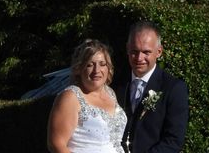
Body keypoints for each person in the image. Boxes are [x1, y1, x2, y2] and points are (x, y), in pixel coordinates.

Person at [116, 21, 188, 153]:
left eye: (146, 52)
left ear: (159, 52)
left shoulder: (173, 88)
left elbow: (173, 140)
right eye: (134, 51)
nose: (139, 58)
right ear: (127, 49)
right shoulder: (115, 83)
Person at [47, 39, 127, 153]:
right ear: (79, 68)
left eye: (102, 64)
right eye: (90, 65)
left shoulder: (110, 93)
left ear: (108, 67)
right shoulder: (70, 97)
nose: (97, 70)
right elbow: (56, 144)